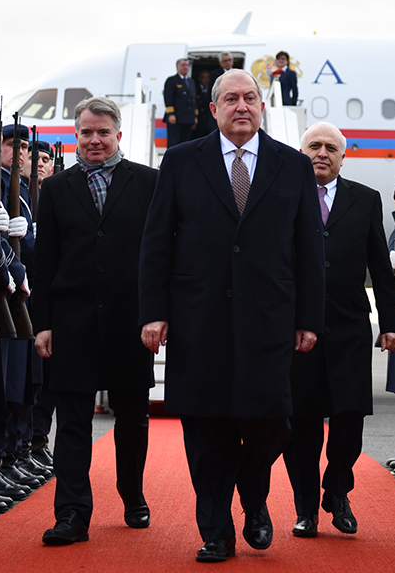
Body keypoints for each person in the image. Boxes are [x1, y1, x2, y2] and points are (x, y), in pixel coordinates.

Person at [139, 69, 325, 563]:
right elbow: (156, 244)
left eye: (250, 98)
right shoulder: (180, 162)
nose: (241, 106)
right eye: (231, 99)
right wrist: (153, 312)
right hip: (199, 319)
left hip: (271, 320)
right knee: (205, 428)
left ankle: (254, 498)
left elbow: (309, 249)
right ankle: (216, 530)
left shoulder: (293, 166)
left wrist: (309, 317)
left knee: (270, 422)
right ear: (214, 108)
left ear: (262, 107)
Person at [31, 96, 157, 545]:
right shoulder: (56, 190)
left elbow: (159, 255)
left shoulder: (149, 183)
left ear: (118, 135)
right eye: (86, 132)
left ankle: (132, 494)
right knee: (71, 423)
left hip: (131, 320)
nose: (95, 140)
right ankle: (71, 514)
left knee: (133, 419)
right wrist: (42, 322)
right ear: (76, 136)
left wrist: (158, 315)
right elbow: (44, 261)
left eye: (103, 132)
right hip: (72, 320)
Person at [282, 122, 395, 538]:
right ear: (301, 152)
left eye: (331, 147)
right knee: (302, 422)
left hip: (349, 327)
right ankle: (304, 508)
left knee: (350, 418)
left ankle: (337, 490)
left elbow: (380, 267)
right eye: (314, 145)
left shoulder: (364, 200)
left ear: (342, 156)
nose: (322, 152)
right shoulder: (283, 197)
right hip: (298, 330)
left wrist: (391, 323)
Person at [163, 57, 198, 147]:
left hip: (188, 118)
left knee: (185, 144)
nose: (185, 67)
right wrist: (171, 114)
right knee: (174, 143)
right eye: (183, 65)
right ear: (177, 67)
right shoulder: (172, 80)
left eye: (187, 65)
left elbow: (194, 99)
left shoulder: (191, 81)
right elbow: (168, 98)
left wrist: (195, 116)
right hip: (176, 118)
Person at [193, 69, 215, 138]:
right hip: (198, 122)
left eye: (207, 77)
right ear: (199, 78)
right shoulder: (194, 88)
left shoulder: (212, 90)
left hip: (209, 122)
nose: (206, 80)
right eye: (203, 77)